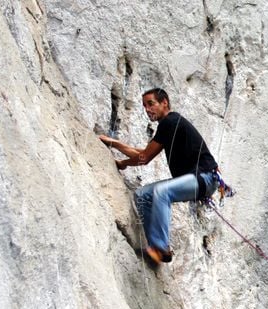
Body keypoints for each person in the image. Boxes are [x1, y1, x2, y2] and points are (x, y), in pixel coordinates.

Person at [99, 88, 232, 264]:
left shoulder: (170, 121)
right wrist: (116, 147)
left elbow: (144, 158)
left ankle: (160, 247)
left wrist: (119, 156)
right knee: (142, 195)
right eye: (145, 106)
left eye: (151, 104)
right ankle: (156, 248)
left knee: (162, 192)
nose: (147, 109)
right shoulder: (168, 126)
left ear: (164, 103)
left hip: (206, 177)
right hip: (197, 179)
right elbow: (144, 154)